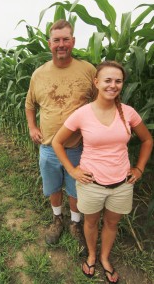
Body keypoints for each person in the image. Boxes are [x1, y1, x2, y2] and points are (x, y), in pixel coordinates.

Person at [52, 60, 153, 283]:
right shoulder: (83, 113)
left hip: (122, 184)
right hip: (91, 184)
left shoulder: (129, 113)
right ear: (96, 82)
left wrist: (139, 168)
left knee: (111, 223)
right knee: (90, 223)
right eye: (107, 80)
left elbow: (147, 140)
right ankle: (91, 255)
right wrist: (72, 170)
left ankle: (105, 258)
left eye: (118, 81)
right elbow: (57, 142)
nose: (113, 85)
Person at [25, 19, 96, 245]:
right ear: (50, 44)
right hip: (48, 147)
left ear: (73, 41)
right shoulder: (39, 74)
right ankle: (57, 219)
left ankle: (75, 223)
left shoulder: (88, 70)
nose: (61, 44)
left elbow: (100, 103)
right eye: (57, 40)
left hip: (78, 147)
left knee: (76, 189)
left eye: (66, 39)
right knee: (53, 187)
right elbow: (30, 104)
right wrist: (32, 126)